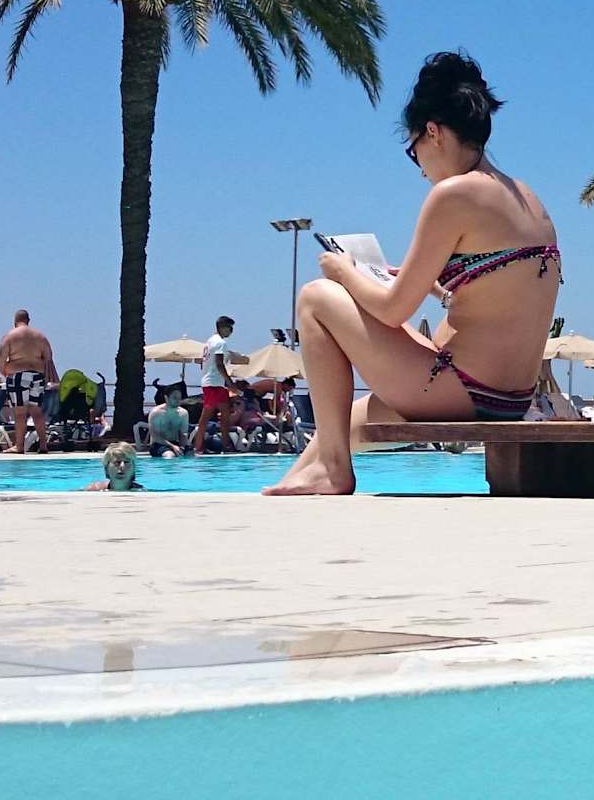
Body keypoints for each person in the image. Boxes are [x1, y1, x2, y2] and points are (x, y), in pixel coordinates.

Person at [270, 52, 562, 494]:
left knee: (314, 297)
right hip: (510, 397)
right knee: (347, 421)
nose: (422, 169)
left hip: (464, 390)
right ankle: (301, 476)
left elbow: (392, 311)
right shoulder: (526, 197)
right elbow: (500, 298)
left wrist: (344, 271)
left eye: (415, 153)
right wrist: (433, 288)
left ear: (433, 132)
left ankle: (332, 470)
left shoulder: (454, 194)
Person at [0, 310, 54, 454]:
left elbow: (1, 358)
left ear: (15, 321)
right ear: (28, 320)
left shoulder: (10, 336)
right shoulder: (40, 337)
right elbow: (48, 357)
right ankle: (43, 445)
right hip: (37, 376)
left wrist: (4, 369)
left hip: (18, 375)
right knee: (37, 411)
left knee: (20, 412)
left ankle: (19, 446)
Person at [190, 316, 237, 454]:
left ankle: (225, 445)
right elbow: (219, 364)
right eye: (230, 328)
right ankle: (198, 447)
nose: (231, 331)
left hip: (214, 383)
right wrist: (230, 383)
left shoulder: (209, 341)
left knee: (225, 414)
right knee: (206, 416)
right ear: (222, 327)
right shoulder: (220, 343)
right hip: (213, 384)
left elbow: (204, 362)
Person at [147, 385, 191, 457]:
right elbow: (155, 436)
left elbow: (183, 434)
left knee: (191, 455)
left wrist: (182, 447)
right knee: (170, 455)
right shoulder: (156, 413)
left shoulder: (183, 413)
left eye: (179, 398)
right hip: (158, 444)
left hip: (176, 443)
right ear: (166, 398)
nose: (178, 401)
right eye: (174, 398)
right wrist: (172, 446)